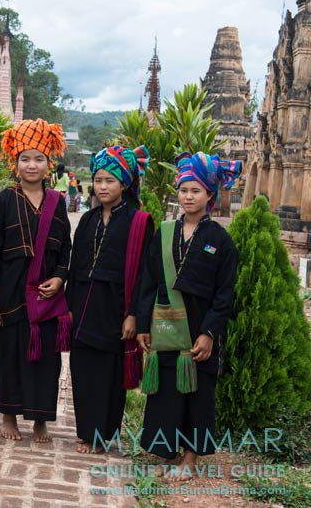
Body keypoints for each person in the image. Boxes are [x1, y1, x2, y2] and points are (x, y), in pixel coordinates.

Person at [136, 151, 241, 478]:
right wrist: (142, 323)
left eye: (196, 190)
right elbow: (148, 281)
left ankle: (191, 457)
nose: (188, 196)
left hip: (199, 334)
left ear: (210, 194)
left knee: (198, 396)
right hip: (166, 329)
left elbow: (225, 294)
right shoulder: (164, 233)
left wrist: (209, 333)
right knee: (166, 392)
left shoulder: (221, 242)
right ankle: (166, 451)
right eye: (184, 190)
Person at [0, 119, 72, 442]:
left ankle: (41, 419)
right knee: (12, 354)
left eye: (39, 159)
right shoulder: (4, 201)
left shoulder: (58, 203)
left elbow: (66, 249)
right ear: (14, 162)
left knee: (47, 359)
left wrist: (60, 277)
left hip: (46, 296)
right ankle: (9, 415)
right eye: (25, 158)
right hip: (12, 292)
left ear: (50, 164)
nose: (31, 165)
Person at [67, 145, 152, 454]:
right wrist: (70, 307)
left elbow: (144, 274)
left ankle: (102, 435)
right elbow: (76, 265)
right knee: (82, 369)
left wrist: (134, 315)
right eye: (99, 180)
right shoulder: (87, 220)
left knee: (108, 374)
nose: (102, 187)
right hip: (84, 305)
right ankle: (85, 430)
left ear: (125, 184)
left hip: (115, 308)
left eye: (110, 181)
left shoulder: (139, 221)